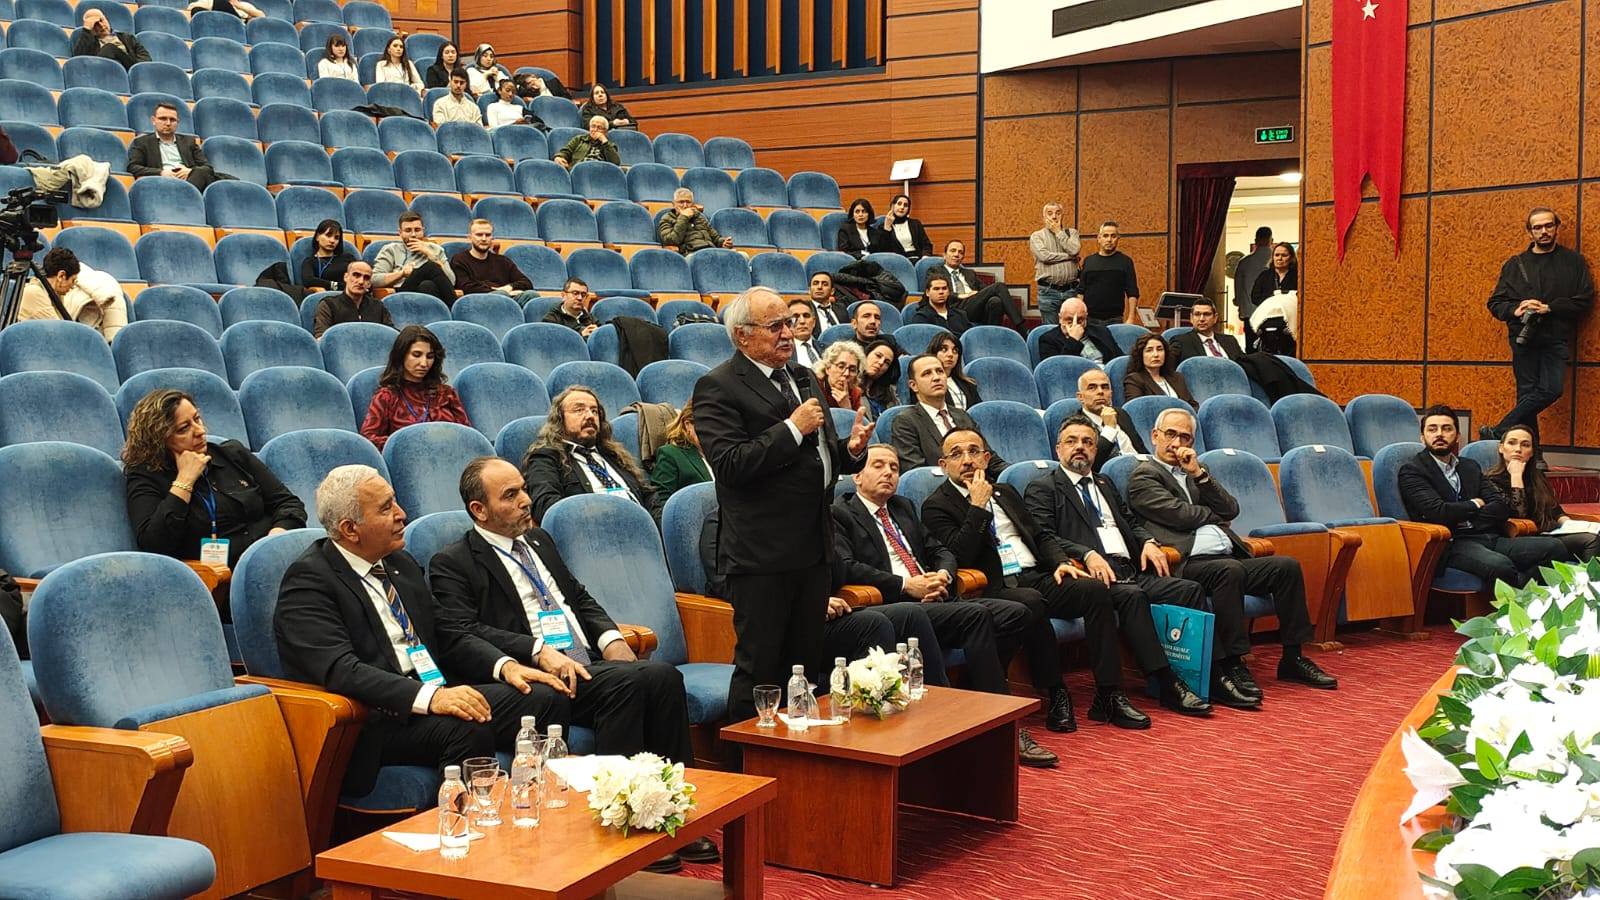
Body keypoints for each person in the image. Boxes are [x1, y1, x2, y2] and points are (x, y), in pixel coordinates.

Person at [426, 456, 719, 871]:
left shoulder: (539, 541)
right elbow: (463, 632)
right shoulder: (454, 562)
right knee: (628, 684)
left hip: (587, 663)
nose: (526, 500)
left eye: (524, 489)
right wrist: (536, 649)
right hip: (538, 679)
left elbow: (578, 598)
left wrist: (612, 640)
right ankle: (622, 820)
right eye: (510, 495)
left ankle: (677, 811)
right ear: (480, 510)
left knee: (663, 676)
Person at [274, 465, 566, 798]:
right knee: (466, 726)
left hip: (432, 691)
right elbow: (342, 670)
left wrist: (506, 666)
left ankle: (542, 804)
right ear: (350, 529)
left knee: (544, 697)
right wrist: (432, 698)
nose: (402, 514)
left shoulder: (400, 564)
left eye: (395, 501)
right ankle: (465, 822)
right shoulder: (309, 582)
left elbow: (447, 634)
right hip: (378, 717)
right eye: (386, 508)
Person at [690, 286, 872, 727]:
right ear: (742, 335)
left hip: (813, 547)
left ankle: (796, 756)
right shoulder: (717, 386)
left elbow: (817, 456)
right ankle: (744, 760)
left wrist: (850, 451)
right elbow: (731, 464)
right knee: (760, 671)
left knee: (804, 668)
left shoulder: (804, 376)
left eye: (789, 323)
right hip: (762, 556)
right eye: (775, 326)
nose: (788, 333)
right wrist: (791, 427)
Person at [833, 445, 1061, 766]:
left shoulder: (902, 507)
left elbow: (941, 550)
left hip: (935, 598)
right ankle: (1002, 727)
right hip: (894, 605)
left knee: (1018, 612)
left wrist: (942, 575)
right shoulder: (841, 513)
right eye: (879, 466)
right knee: (976, 615)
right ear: (857, 476)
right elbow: (847, 567)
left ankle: (976, 700)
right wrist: (905, 584)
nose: (888, 473)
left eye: (894, 467)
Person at [1127, 408, 1336, 704]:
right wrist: (1214, 516)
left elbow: (1231, 508)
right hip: (1186, 564)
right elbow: (1180, 516)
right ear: (1155, 436)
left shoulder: (1195, 471)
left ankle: (1294, 657)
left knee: (1286, 567)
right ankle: (1233, 663)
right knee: (1229, 571)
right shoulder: (1144, 476)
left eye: (1185, 437)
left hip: (1227, 557)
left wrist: (1198, 474)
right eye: (1170, 434)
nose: (1176, 443)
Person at [919, 430, 1102, 747]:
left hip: (1033, 574)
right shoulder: (937, 505)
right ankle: (1056, 690)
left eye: (974, 452)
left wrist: (1060, 561)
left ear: (986, 458)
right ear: (944, 464)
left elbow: (1040, 534)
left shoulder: (1004, 492)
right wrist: (978, 507)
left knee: (1095, 590)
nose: (967, 460)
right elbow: (959, 556)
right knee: (1031, 601)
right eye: (957, 454)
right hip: (991, 586)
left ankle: (1109, 693)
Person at [1024, 415, 1213, 722]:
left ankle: (1203, 675)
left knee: (1187, 589)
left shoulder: (1105, 483)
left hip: (1129, 569)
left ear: (1095, 449)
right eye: (1072, 441)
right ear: (1058, 449)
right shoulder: (1044, 487)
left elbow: (1130, 521)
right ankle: (1165, 681)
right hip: (1093, 574)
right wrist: (1086, 554)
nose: (1080, 447)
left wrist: (1148, 541)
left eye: (1088, 442)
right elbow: (1043, 536)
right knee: (1132, 596)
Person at [123, 388, 306, 570]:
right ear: (159, 440)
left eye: (197, 419)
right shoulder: (146, 476)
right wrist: (184, 481)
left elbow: (289, 504)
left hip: (275, 557)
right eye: (183, 428)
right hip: (217, 577)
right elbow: (154, 545)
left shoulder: (232, 454)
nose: (200, 430)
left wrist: (273, 540)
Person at [1399, 406, 1569, 589]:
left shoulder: (1469, 467)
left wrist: (1467, 518)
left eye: (1447, 429)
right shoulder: (1413, 471)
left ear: (1457, 436)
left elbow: (1501, 506)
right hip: (1452, 543)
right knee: (1501, 565)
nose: (1439, 434)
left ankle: (1527, 595)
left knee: (1555, 548)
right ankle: (1523, 601)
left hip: (1488, 536)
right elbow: (1438, 512)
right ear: (1422, 437)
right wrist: (1474, 504)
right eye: (1432, 429)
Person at [1484, 207, 1594, 448]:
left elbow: (1585, 300)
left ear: (1556, 227)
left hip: (1555, 337)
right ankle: (1534, 454)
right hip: (1523, 338)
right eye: (1537, 227)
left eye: (1548, 226)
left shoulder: (1573, 262)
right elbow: (1495, 303)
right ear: (1529, 232)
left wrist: (1550, 308)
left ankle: (1500, 429)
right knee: (1526, 394)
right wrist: (1517, 308)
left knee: (1552, 389)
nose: (1544, 231)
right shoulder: (1515, 264)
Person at [521, 386, 663, 526]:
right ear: (560, 419)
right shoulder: (546, 457)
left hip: (640, 528)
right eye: (579, 410)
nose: (590, 416)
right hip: (591, 530)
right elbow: (546, 506)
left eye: (594, 411)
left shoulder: (614, 455)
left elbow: (648, 496)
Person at [1486, 426, 1599, 561]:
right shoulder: (1491, 480)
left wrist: (1572, 525)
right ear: (1501, 448)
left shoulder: (1538, 477)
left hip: (1549, 533)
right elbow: (1519, 515)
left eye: (1525, 445)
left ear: (1532, 452)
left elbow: (1555, 510)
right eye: (1512, 443)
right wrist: (1516, 477)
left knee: (1595, 535)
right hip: (1520, 537)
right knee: (1590, 540)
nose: (1518, 449)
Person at [891, 354, 1006, 478]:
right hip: (941, 487)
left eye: (940, 371)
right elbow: (918, 474)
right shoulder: (906, 421)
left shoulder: (963, 416)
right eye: (927, 373)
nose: (936, 378)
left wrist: (1016, 473)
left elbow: (991, 461)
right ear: (914, 385)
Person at [359, 325, 471, 451]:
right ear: (401, 355)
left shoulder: (447, 393)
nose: (424, 363)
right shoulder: (387, 396)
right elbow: (368, 440)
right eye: (416, 355)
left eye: (430, 356)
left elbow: (467, 435)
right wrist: (412, 443)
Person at [17, 247, 127, 342]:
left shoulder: (53, 293)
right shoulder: (34, 292)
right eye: (73, 280)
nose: (73, 286)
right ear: (61, 276)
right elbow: (62, 334)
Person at [127, 102, 220, 189]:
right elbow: (133, 167)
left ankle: (185, 193)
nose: (168, 123)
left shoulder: (189, 142)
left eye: (172, 120)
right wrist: (161, 172)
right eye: (163, 119)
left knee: (203, 172)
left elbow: (207, 167)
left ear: (177, 122)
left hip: (190, 179)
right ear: (153, 120)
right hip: (162, 181)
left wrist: (190, 171)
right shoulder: (141, 142)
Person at [937, 240, 1024, 330]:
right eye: (953, 251)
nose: (956, 254)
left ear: (962, 257)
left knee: (995, 301)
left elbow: (985, 291)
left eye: (960, 252)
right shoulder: (936, 271)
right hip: (954, 307)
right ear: (944, 255)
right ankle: (1021, 327)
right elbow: (935, 291)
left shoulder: (969, 273)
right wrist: (961, 295)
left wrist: (977, 295)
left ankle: (992, 333)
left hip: (974, 308)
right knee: (999, 286)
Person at [372, 212, 456, 305]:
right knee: (430, 267)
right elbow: (374, 280)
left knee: (427, 285)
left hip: (432, 293)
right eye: (408, 230)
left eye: (417, 230)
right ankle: (454, 308)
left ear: (423, 230)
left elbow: (452, 281)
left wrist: (430, 254)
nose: (413, 234)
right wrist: (402, 273)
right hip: (402, 293)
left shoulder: (435, 249)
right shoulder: (391, 250)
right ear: (400, 233)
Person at [1076, 368, 1146, 471]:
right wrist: (1109, 429)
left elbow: (1141, 450)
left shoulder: (1121, 414)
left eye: (1105, 387)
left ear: (1111, 393)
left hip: (1142, 472)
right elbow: (1088, 464)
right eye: (1092, 388)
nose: (1100, 392)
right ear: (1080, 397)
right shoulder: (1076, 424)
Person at [450, 219, 538, 301]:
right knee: (500, 294)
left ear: (492, 237)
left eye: (488, 235)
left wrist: (509, 287)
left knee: (531, 295)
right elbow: (466, 287)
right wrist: (500, 291)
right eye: (479, 235)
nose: (484, 239)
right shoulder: (459, 260)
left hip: (506, 299)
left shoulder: (503, 261)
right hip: (478, 301)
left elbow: (526, 283)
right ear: (470, 237)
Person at [1029, 202, 1081, 326]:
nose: (1054, 217)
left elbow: (1074, 250)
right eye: (1050, 213)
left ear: (1062, 216)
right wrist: (1069, 257)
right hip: (1048, 291)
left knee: (1072, 329)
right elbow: (1044, 256)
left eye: (1058, 213)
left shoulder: (1072, 233)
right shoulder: (1037, 236)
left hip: (1071, 290)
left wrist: (1058, 232)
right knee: (1050, 330)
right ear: (1044, 217)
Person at [1078, 222, 1139, 325]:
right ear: (1099, 238)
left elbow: (1132, 292)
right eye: (1105, 236)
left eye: (1113, 236)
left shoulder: (1125, 262)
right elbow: (1081, 291)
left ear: (1118, 238)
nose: (1109, 239)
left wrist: (1131, 318)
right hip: (1090, 319)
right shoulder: (1089, 261)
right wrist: (1080, 317)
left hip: (1115, 319)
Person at [648, 402, 712, 501]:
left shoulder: (726, 454)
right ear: (688, 425)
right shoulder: (670, 454)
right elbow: (660, 501)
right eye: (709, 425)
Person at [312, 260, 390, 337]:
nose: (361, 281)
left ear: (369, 284)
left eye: (366, 278)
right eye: (356, 275)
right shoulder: (328, 305)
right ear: (346, 277)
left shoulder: (378, 306)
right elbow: (321, 338)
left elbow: (391, 335)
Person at [1038, 296, 1120, 364]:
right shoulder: (1048, 340)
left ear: (1086, 318)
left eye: (1080, 320)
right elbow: (1058, 370)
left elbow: (1119, 360)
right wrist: (1073, 340)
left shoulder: (1101, 331)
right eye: (1069, 320)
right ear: (1060, 318)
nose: (1075, 325)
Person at [1123, 332, 1195, 404]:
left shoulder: (1177, 377)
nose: (1156, 354)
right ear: (1140, 355)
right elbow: (1135, 407)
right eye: (1149, 350)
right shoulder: (1135, 380)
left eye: (1160, 349)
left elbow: (1192, 405)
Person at [657, 187, 733, 254]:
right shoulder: (667, 218)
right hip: (690, 253)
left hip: (710, 250)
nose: (685, 205)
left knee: (738, 255)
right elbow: (671, 240)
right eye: (681, 202)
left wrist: (723, 242)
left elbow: (715, 237)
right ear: (674, 204)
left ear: (692, 204)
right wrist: (684, 217)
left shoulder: (699, 217)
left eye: (688, 202)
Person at [1233, 226, 1272, 352]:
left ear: (1255, 241)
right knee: (1271, 347)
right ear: (1271, 240)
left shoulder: (1244, 262)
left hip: (1250, 312)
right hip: (1272, 313)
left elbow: (1238, 288)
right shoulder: (1276, 261)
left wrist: (1240, 307)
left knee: (1251, 347)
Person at [71, 9, 150, 70]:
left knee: (111, 48)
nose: (101, 25)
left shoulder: (127, 38)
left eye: (102, 20)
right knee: (109, 48)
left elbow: (145, 59)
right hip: (103, 71)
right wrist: (87, 30)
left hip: (128, 69)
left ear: (106, 19)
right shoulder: (89, 42)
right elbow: (78, 61)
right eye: (96, 24)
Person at [1169, 298, 1243, 363]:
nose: (1201, 319)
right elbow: (1169, 366)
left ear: (1215, 318)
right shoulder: (1181, 342)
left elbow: (1244, 364)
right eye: (1197, 314)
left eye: (1207, 314)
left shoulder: (1230, 341)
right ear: (1191, 318)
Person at [904, 272, 971, 336]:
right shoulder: (921, 317)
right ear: (927, 292)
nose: (941, 292)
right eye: (936, 289)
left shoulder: (960, 315)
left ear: (948, 292)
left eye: (944, 288)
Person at [299, 219, 356, 293]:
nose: (332, 241)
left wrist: (327, 285)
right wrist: (337, 286)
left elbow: (360, 278)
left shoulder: (348, 258)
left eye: (336, 238)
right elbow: (308, 280)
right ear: (317, 237)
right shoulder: (310, 261)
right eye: (328, 235)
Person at [928, 333, 981, 410]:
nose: (950, 354)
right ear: (933, 353)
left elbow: (978, 411)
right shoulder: (925, 384)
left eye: (955, 351)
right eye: (944, 349)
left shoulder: (969, 385)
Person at [554, 116, 622, 170]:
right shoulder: (579, 139)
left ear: (605, 131)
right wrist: (559, 157)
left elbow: (615, 163)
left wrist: (604, 141)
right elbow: (566, 151)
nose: (595, 130)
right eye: (593, 126)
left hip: (599, 171)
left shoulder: (609, 145)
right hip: (579, 169)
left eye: (599, 128)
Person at [815, 340, 865, 412]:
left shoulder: (855, 393)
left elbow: (858, 418)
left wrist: (847, 408)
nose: (846, 373)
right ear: (827, 368)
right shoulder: (815, 386)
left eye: (852, 370)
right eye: (841, 367)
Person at [880, 194, 932, 261]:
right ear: (892, 206)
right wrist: (887, 229)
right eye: (899, 204)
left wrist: (925, 257)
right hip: (897, 261)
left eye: (905, 205)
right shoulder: (883, 227)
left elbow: (926, 244)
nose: (902, 207)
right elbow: (883, 250)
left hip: (917, 259)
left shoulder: (915, 224)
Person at [1249, 242, 1297, 309]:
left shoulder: (1297, 276)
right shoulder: (1264, 276)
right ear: (1273, 257)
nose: (1280, 258)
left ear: (1291, 258)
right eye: (1277, 255)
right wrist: (1272, 300)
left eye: (1284, 255)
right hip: (1268, 312)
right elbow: (1255, 297)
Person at [860, 339, 900, 417]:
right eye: (878, 356)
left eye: (887, 362)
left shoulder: (890, 393)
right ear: (866, 355)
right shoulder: (850, 386)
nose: (881, 362)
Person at [788, 298, 823, 368]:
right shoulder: (783, 352)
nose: (802, 321)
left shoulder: (826, 348)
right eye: (795, 317)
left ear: (814, 322)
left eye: (806, 316)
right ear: (788, 323)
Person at [186, 0, 264, 19]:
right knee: (221, 3)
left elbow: (261, 15)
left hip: (238, 24)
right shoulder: (212, 1)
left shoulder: (245, 5)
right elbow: (192, 8)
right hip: (216, 20)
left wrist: (239, 6)